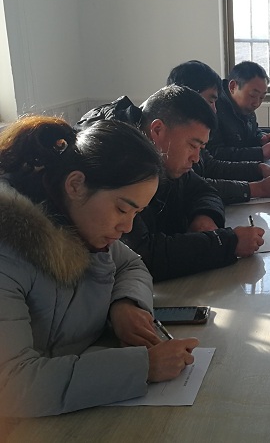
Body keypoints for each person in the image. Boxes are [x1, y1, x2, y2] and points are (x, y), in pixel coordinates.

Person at [0, 116, 198, 416]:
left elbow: (131, 266)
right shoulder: (9, 252)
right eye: (122, 209)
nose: (127, 227)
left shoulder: (79, 223)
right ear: (76, 185)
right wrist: (143, 367)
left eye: (137, 213)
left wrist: (125, 305)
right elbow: (11, 385)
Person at [77, 85, 265, 282]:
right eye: (192, 145)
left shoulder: (166, 157)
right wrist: (227, 243)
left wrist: (204, 216)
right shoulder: (115, 158)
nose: (196, 158)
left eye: (201, 148)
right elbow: (140, 254)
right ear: (158, 130)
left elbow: (204, 190)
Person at [167, 60, 270, 204]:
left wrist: (258, 166)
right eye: (210, 101)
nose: (214, 110)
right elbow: (192, 188)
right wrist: (257, 188)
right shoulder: (172, 139)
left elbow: (209, 166)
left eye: (262, 97)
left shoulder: (245, 110)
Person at [206, 60, 270, 162]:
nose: (256, 103)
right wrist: (260, 153)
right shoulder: (213, 107)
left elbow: (251, 133)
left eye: (262, 97)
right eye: (253, 95)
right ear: (233, 87)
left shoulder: (245, 106)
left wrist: (261, 138)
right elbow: (214, 154)